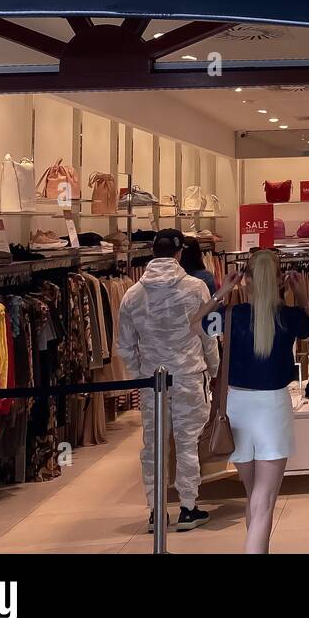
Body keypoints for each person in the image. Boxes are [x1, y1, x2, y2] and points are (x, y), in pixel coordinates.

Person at [193, 249, 309, 554]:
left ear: (245, 280)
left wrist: (222, 291)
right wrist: (302, 296)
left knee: (254, 496)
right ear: (280, 282)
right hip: (272, 409)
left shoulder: (230, 316)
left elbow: (196, 324)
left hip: (237, 409)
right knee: (265, 499)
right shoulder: (290, 317)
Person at [116, 228, 220, 533]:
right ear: (178, 254)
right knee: (188, 443)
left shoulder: (132, 295)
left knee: (153, 446)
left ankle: (156, 512)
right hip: (189, 376)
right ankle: (188, 508)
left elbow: (123, 344)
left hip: (153, 381)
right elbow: (209, 336)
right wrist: (215, 371)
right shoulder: (196, 288)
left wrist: (139, 375)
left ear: (152, 252)